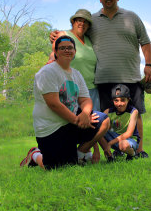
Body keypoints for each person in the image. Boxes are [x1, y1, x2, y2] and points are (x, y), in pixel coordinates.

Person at [51, 0, 151, 158]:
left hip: (131, 76)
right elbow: (76, 33)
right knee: (107, 118)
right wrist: (56, 35)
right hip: (104, 79)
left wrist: (149, 65)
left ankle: (139, 149)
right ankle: (116, 150)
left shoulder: (132, 17)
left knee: (136, 113)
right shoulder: (92, 20)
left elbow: (145, 41)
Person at [21, 35, 110, 170]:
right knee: (54, 167)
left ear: (74, 52)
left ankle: (80, 153)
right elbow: (53, 104)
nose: (67, 50)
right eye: (62, 48)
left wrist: (85, 113)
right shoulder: (47, 72)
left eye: (70, 48)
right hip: (51, 129)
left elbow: (85, 99)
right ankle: (35, 154)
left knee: (103, 120)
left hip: (71, 124)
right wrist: (77, 120)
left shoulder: (76, 74)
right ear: (55, 52)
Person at [47, 9, 100, 112]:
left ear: (89, 26)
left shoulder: (89, 40)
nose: (82, 24)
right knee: (74, 123)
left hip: (92, 89)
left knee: (95, 123)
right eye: (79, 20)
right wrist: (51, 59)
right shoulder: (63, 35)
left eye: (85, 22)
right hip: (71, 89)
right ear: (73, 22)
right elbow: (55, 52)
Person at [100, 84, 140, 161]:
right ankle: (109, 157)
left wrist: (110, 143)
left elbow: (129, 133)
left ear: (128, 99)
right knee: (99, 130)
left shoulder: (133, 111)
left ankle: (133, 154)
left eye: (123, 100)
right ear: (112, 101)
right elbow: (101, 128)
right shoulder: (108, 111)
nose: (119, 104)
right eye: (116, 100)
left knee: (123, 145)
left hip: (129, 139)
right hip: (115, 137)